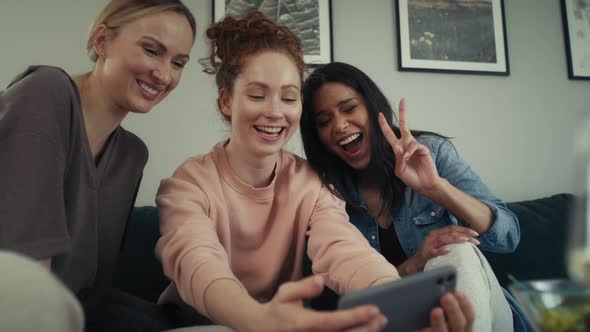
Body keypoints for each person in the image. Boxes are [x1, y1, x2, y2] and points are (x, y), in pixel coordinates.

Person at [156, 10, 474, 332]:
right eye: (257, 95)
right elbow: (198, 262)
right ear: (226, 101)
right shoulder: (188, 184)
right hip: (198, 323)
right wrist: (255, 319)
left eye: (289, 98)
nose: (275, 111)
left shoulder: (310, 183)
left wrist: (397, 301)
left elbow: (343, 249)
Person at [0, 1, 196, 330]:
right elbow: (24, 270)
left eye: (178, 63)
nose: (164, 74)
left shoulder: (131, 155)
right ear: (102, 41)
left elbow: (91, 289)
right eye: (151, 50)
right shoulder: (45, 92)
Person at [299, 62, 533, 331]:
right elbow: (352, 300)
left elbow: (508, 236)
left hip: (482, 313)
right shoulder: (327, 195)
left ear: (372, 107)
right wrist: (415, 263)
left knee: (457, 250)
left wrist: (436, 187)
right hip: (400, 323)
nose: (339, 125)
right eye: (324, 121)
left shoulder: (431, 153)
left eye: (349, 108)